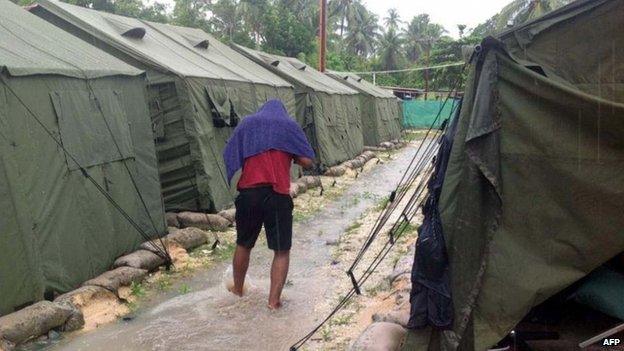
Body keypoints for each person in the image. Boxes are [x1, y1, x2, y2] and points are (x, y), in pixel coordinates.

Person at [223, 99, 315, 309]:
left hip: (249, 194)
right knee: (281, 250)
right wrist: (289, 153)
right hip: (277, 195)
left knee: (243, 244)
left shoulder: (248, 124)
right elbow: (308, 161)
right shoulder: (289, 126)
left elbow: (231, 152)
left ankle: (237, 291)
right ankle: (273, 302)